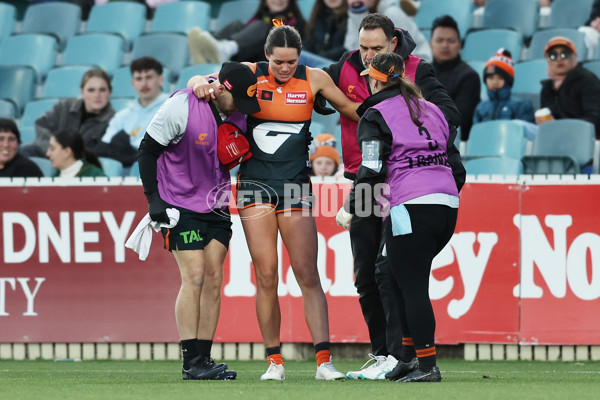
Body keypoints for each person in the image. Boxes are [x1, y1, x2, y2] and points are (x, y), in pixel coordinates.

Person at [188, 24, 360, 381]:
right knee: (266, 275)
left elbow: (352, 109)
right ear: (267, 56)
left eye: (291, 62)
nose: (285, 68)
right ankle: (274, 362)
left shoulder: (313, 78)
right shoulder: (248, 73)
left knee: (308, 274)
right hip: (254, 185)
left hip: (295, 185)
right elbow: (199, 79)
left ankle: (324, 363)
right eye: (279, 62)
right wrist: (199, 85)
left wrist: (399, 109)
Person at [322, 13, 464, 379]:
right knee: (377, 275)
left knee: (401, 278)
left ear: (394, 44)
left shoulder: (391, 100)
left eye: (376, 51)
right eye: (363, 49)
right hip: (437, 196)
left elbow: (372, 169)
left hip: (396, 193)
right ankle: (395, 357)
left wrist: (352, 205)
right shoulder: (421, 106)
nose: (367, 58)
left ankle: (416, 360)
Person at [138, 62, 261, 381]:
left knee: (213, 278)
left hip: (217, 205)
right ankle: (190, 360)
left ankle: (204, 359)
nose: (242, 111)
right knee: (193, 276)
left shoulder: (236, 109)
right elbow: (147, 151)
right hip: (179, 204)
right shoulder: (181, 105)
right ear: (223, 90)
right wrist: (153, 199)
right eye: (239, 102)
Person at [348, 51, 458, 382]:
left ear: (373, 79)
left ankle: (427, 366)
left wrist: (351, 206)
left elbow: (370, 168)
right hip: (447, 205)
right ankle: (408, 358)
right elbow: (451, 157)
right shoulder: (433, 109)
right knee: (397, 279)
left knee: (411, 287)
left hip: (411, 205)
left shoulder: (375, 115)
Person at [20, 68, 115, 159]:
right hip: (51, 154)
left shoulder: (115, 121)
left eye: (102, 90)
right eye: (91, 90)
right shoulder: (63, 107)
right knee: (23, 151)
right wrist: (56, 150)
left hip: (79, 165)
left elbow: (98, 152)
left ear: (109, 92)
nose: (97, 95)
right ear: (82, 92)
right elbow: (42, 125)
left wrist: (67, 156)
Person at [97, 57, 169, 166]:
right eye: (139, 79)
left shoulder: (171, 108)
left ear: (161, 80)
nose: (144, 83)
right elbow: (106, 144)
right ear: (133, 84)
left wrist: (125, 144)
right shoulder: (121, 116)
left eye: (149, 77)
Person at [188, 0, 306, 64]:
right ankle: (208, 48)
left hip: (270, 61)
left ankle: (223, 50)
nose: (278, 0)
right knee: (236, 25)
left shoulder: (297, 22)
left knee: (264, 27)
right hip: (244, 56)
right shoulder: (257, 18)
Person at [430, 15, 480, 141]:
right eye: (439, 40)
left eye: (451, 41)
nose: (445, 45)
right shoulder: (420, 73)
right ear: (431, 44)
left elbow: (459, 120)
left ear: (460, 45)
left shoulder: (469, 77)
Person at [538, 36, 600, 137]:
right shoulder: (547, 87)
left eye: (564, 54)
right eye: (553, 56)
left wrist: (560, 126)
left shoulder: (588, 80)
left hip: (585, 138)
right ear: (547, 61)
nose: (559, 59)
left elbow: (595, 119)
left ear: (574, 57)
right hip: (555, 137)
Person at [344, 0, 432, 62]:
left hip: (415, 64)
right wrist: (358, 17)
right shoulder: (356, 15)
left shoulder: (392, 13)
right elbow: (353, 48)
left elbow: (402, 52)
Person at [473, 49, 535, 124]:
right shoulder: (481, 107)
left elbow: (525, 130)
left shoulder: (521, 105)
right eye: (490, 78)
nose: (495, 82)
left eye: (500, 78)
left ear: (508, 80)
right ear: (485, 81)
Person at [301, 0, 348, 67]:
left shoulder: (354, 18)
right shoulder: (318, 16)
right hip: (317, 66)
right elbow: (308, 44)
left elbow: (349, 49)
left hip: (338, 66)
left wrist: (317, 57)